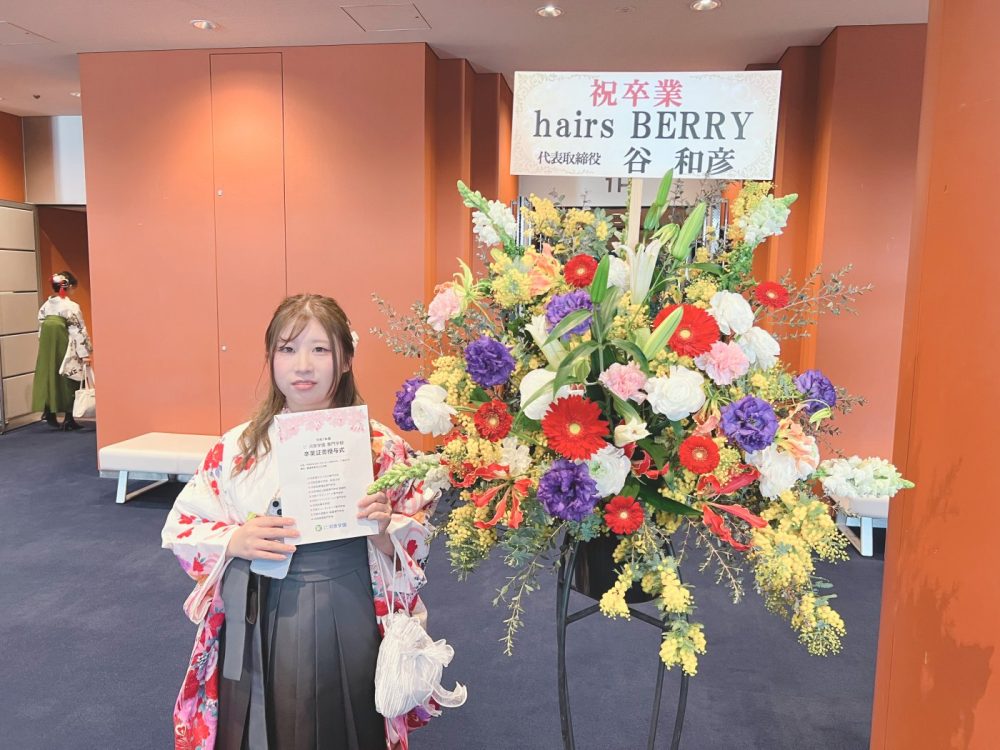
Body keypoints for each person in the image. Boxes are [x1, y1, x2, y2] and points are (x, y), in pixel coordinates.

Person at [162, 294, 440, 750]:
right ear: (270, 358)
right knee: (263, 721)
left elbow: (419, 533)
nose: (303, 365)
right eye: (288, 349)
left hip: (350, 600)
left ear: (345, 360)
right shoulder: (239, 447)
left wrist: (386, 530)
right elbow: (183, 525)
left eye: (320, 349)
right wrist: (234, 540)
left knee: (351, 718)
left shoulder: (381, 447)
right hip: (264, 603)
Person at [31, 271, 92, 430]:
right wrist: (84, 353)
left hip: (48, 346)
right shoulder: (71, 307)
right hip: (65, 344)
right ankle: (68, 418)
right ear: (68, 286)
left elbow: (41, 327)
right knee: (70, 378)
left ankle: (49, 411)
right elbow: (78, 330)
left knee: (50, 376)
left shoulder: (46, 306)